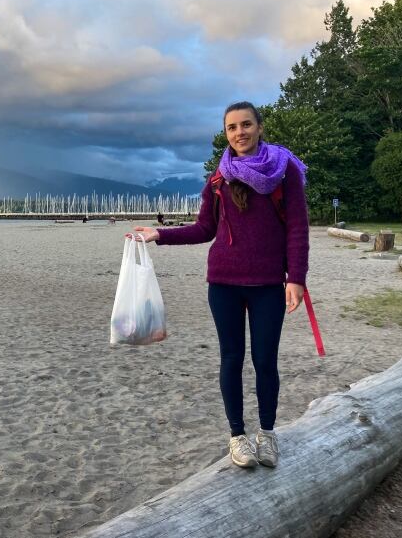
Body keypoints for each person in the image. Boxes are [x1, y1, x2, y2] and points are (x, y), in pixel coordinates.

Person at [129, 101, 309, 469]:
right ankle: (238, 437)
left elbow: (297, 228)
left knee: (265, 361)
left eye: (246, 125)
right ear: (226, 134)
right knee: (231, 358)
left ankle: (268, 434)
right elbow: (204, 229)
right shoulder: (217, 178)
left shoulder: (284, 169)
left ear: (259, 127)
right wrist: (159, 234)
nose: (239, 133)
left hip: (267, 283)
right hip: (224, 282)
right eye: (231, 128)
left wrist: (297, 279)